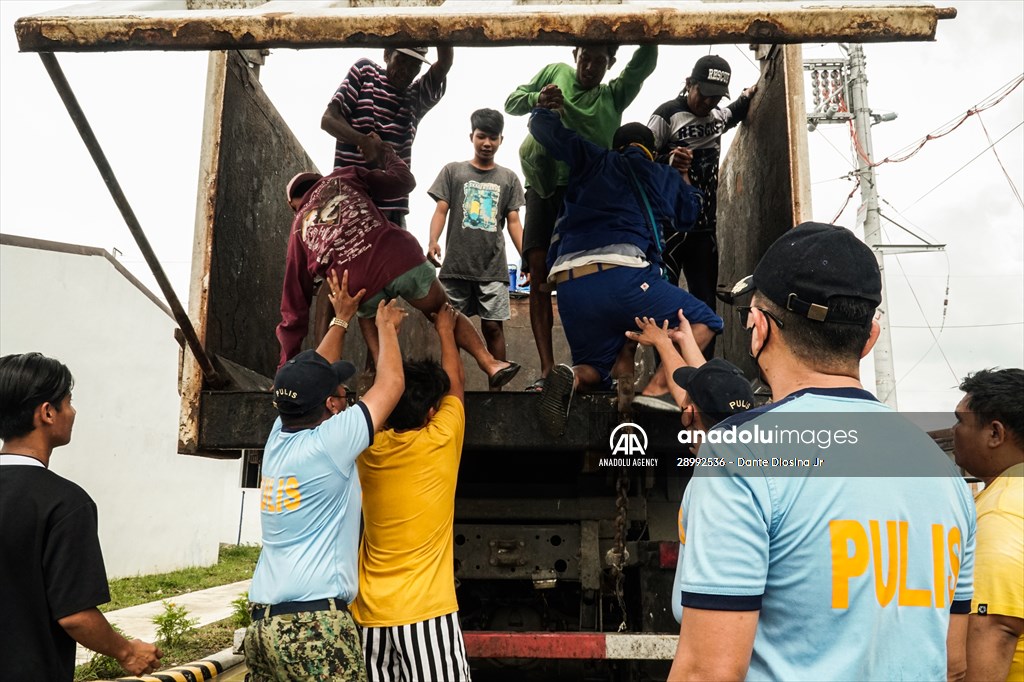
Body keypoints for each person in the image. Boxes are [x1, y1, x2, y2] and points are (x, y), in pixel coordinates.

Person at [668, 222, 977, 681]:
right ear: (868, 339)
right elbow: (953, 666)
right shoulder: (944, 473)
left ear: (759, 330)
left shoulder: (741, 456)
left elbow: (707, 672)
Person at [245, 270, 406, 681]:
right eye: (339, 393)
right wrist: (386, 328)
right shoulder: (330, 444)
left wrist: (341, 318)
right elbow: (391, 383)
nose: (343, 397)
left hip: (263, 626)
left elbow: (312, 374)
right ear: (331, 407)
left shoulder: (279, 435)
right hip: (312, 628)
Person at [526, 106, 722, 435]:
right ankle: (657, 392)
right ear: (652, 151)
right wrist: (682, 175)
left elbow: (543, 129)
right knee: (705, 321)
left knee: (594, 368)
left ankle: (570, 377)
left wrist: (543, 108)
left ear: (616, 145)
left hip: (571, 285)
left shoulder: (593, 157)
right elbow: (689, 215)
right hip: (624, 277)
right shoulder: (659, 172)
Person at [276, 143, 520, 389]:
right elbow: (404, 182)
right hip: (398, 257)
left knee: (379, 345)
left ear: (292, 205)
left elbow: (294, 309)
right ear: (321, 180)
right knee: (443, 311)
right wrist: (386, 154)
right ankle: (490, 363)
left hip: (359, 286)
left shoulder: (298, 229)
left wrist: (285, 366)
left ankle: (391, 392)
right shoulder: (343, 177)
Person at [0, 352, 163, 680]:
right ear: (47, 412)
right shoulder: (64, 502)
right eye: (69, 402)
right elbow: (74, 615)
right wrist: (127, 651)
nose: (73, 412)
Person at [505, 44, 658, 390]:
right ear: (575, 54)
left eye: (599, 62)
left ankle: (606, 363)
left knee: (604, 275)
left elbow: (644, 62)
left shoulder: (614, 96)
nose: (589, 67)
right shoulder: (555, 72)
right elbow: (512, 101)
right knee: (540, 273)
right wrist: (538, 100)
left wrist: (646, 28)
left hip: (589, 197)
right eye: (585, 58)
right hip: (544, 188)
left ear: (611, 64)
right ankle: (546, 371)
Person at [352, 303, 472, 681]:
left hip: (368, 615)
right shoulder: (441, 440)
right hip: (425, 615)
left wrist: (382, 332)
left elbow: (381, 399)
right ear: (431, 414)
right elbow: (456, 384)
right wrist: (445, 330)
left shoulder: (366, 449)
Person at [628, 313, 755, 624]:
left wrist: (661, 342)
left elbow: (693, 390)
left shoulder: (715, 482)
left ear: (688, 414)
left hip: (711, 631)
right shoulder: (748, 457)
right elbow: (705, 389)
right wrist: (682, 342)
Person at [647, 55, 756, 318]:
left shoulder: (717, 116)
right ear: (689, 84)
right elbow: (639, 161)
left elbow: (736, 111)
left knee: (706, 306)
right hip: (667, 229)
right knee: (661, 304)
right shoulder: (666, 115)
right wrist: (668, 160)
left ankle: (703, 361)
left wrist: (748, 95)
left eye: (716, 97)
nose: (708, 102)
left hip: (704, 229)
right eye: (704, 94)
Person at [427, 108, 525, 377]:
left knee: (493, 327)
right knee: (450, 328)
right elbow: (441, 210)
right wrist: (433, 240)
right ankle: (453, 386)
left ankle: (498, 383)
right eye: (481, 136)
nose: (486, 143)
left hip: (492, 268)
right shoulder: (453, 171)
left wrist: (526, 255)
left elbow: (514, 221)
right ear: (472, 136)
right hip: (455, 267)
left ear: (501, 140)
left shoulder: (508, 178)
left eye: (493, 138)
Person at [322, 45, 454, 227]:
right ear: (387, 54)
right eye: (401, 61)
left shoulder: (417, 95)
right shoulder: (365, 71)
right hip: (346, 201)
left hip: (390, 213)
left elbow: (445, 62)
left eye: (415, 65)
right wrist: (363, 141)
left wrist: (436, 22)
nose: (406, 71)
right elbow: (328, 119)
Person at [952, 368, 1024, 682]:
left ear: (995, 433)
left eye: (960, 420)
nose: (954, 431)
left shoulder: (999, 515)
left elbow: (993, 631)